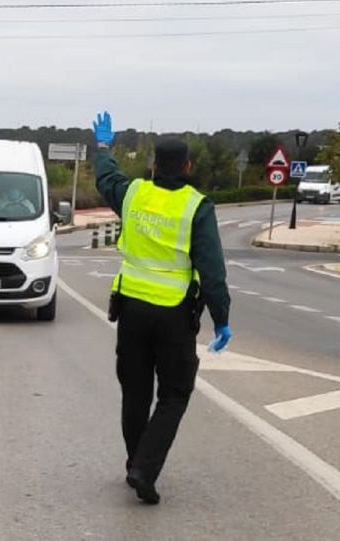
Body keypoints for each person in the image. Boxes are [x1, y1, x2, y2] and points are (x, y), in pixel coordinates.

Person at [92, 111, 232, 505]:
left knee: (135, 392)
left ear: (153, 165)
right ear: (187, 167)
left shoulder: (134, 192)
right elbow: (213, 272)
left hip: (132, 311)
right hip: (174, 316)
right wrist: (222, 319)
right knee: (174, 394)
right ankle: (144, 468)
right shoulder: (197, 206)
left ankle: (134, 462)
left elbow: (107, 178)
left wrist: (103, 147)